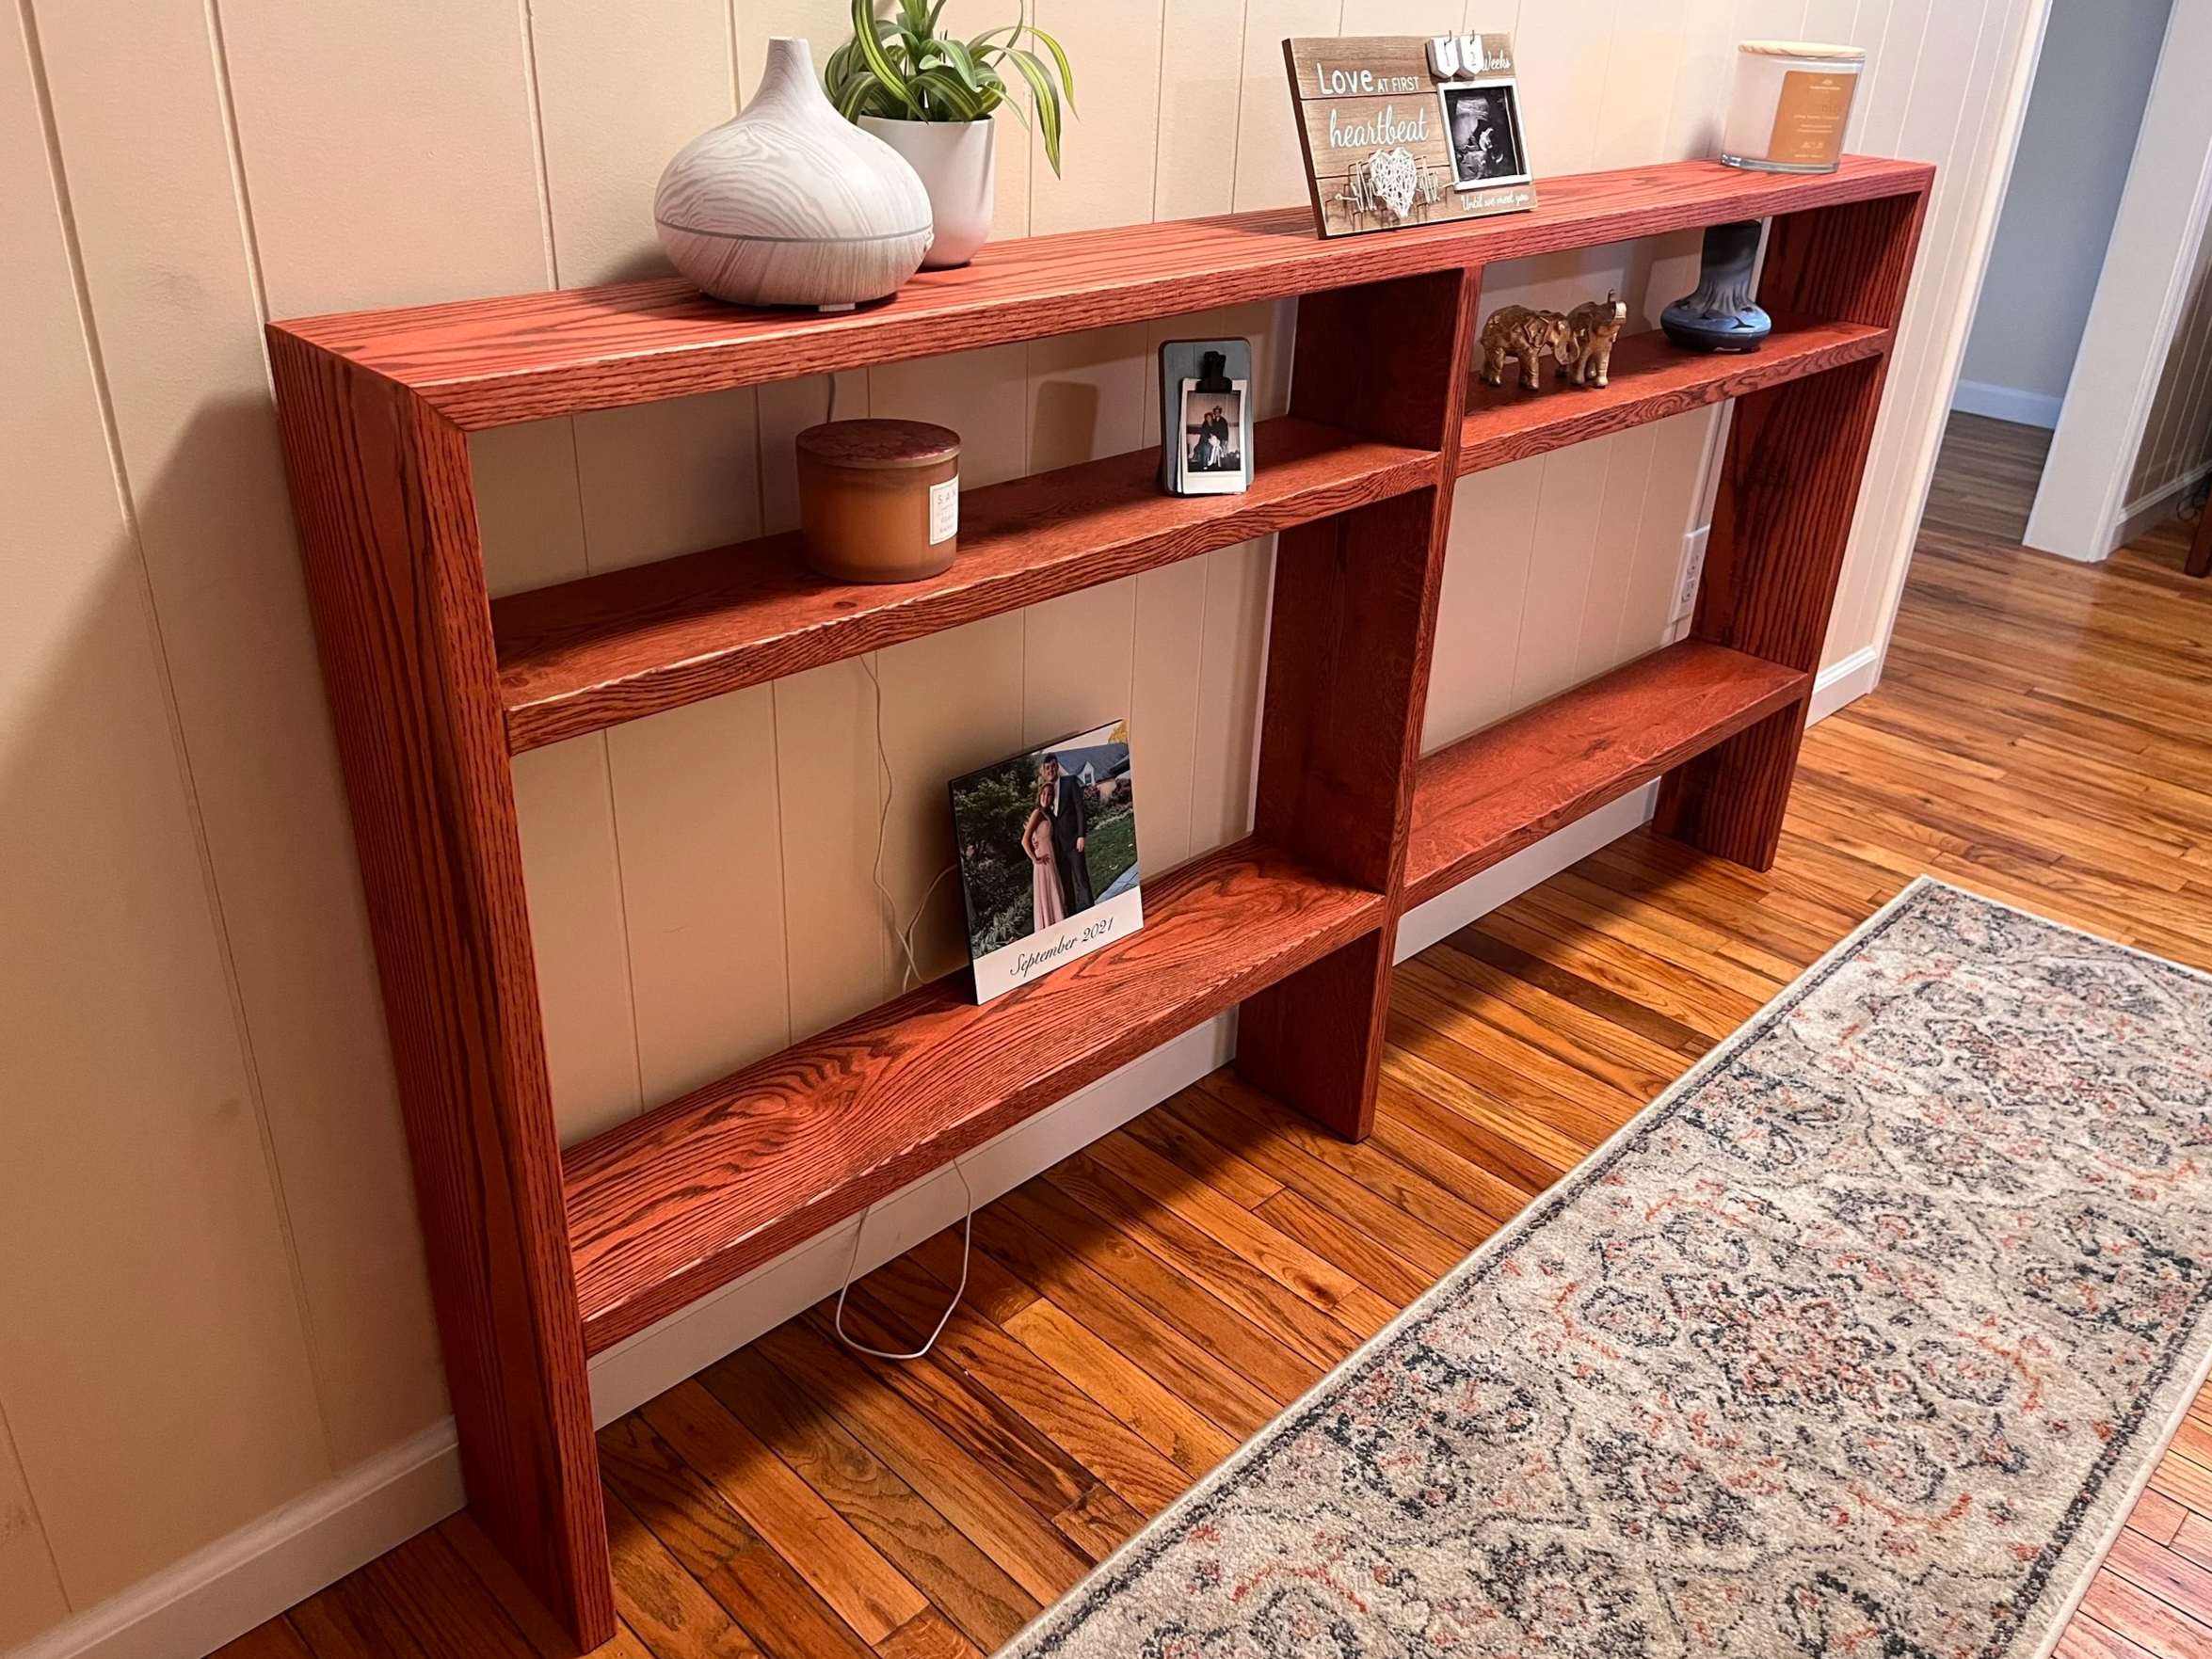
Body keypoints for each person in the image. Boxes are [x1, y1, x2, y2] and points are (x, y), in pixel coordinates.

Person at [1037, 754, 1094, 916]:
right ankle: (1072, 915)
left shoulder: (1069, 782)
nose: (1051, 770)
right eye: (1047, 768)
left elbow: (1080, 809)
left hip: (1074, 842)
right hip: (1057, 847)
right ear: (1044, 771)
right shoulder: (1045, 790)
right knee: (1066, 883)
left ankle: (1092, 910)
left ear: (1057, 766)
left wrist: (1081, 835)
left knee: (1081, 878)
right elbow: (1041, 814)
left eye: (1053, 766)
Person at [1022, 797, 1064, 933]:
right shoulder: (1037, 812)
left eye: (1049, 794)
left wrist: (1035, 838)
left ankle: (1057, 920)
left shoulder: (1046, 813)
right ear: (1039, 796)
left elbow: (1036, 833)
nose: (1046, 797)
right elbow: (1024, 841)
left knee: (1053, 886)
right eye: (1044, 793)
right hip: (1043, 858)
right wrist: (1035, 859)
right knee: (1047, 888)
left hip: (1050, 855)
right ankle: (1049, 923)